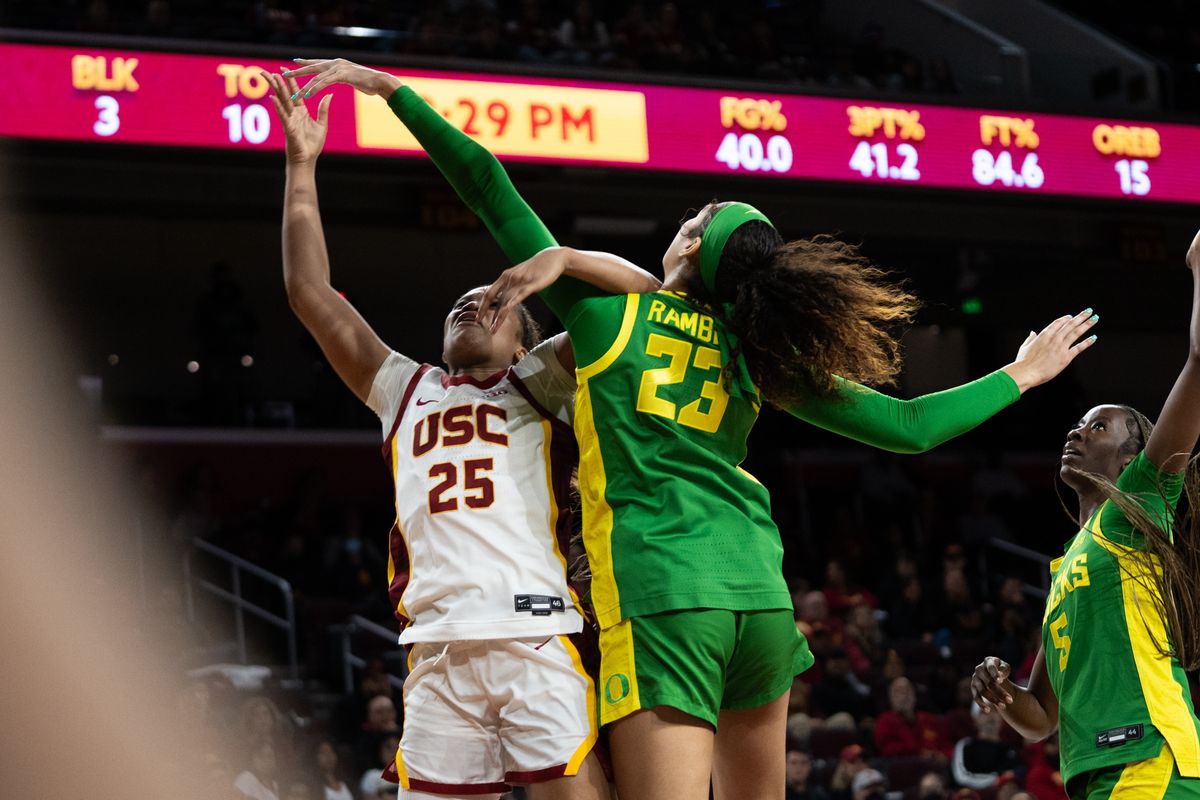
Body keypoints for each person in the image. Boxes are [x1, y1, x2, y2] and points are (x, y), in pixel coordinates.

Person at [281, 57, 1100, 800]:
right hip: (761, 597)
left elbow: (489, 185)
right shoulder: (756, 348)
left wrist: (391, 92)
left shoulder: (604, 320)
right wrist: (1019, 374)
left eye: (697, 213)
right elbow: (910, 426)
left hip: (664, 591)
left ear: (692, 243)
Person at [262, 69, 660, 800]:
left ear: (522, 343)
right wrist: (300, 166)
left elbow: (650, 299)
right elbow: (309, 294)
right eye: (460, 303)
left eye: (492, 303)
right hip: (436, 649)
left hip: (532, 636)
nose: (469, 306)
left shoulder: (541, 383)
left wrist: (561, 263)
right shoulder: (401, 386)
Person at [970, 232, 1200, 798]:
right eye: (1078, 424)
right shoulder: (1067, 566)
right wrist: (1002, 692)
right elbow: (1042, 719)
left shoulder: (1138, 505)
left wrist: (1199, 266)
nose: (1076, 430)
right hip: (1094, 773)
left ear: (1131, 458)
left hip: (1149, 758)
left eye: (1099, 426)